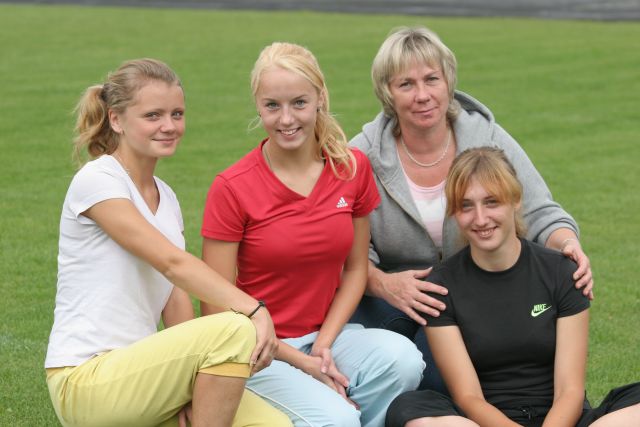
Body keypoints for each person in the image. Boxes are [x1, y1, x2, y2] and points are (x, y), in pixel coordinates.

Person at [44, 58, 291, 427]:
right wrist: (253, 310)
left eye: (177, 114)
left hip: (142, 375)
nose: (169, 126)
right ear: (116, 119)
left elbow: (175, 299)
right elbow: (172, 263)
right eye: (153, 116)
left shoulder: (167, 197)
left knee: (274, 425)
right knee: (234, 328)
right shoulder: (98, 180)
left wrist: (188, 384)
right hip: (85, 380)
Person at [349, 25, 594, 391]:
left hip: (471, 288)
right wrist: (383, 284)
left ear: (448, 80)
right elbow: (344, 252)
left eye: (431, 79)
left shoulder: (487, 139)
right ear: (387, 92)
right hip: (390, 296)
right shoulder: (361, 155)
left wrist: (567, 244)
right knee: (390, 367)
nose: (422, 95)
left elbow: (540, 211)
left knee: (446, 378)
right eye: (406, 84)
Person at [200, 42, 424, 427]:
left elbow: (356, 270)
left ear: (320, 98)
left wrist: (322, 346)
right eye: (272, 106)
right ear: (258, 106)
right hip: (257, 350)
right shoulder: (231, 187)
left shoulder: (351, 168)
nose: (286, 119)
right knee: (337, 419)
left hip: (327, 337)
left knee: (403, 361)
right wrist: (303, 363)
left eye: (299, 103)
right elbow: (215, 309)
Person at [385, 147, 640, 427]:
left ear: (515, 201)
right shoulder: (441, 288)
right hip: (483, 423)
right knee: (410, 409)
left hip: (564, 420)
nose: (480, 219)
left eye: (491, 202)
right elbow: (469, 397)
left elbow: (570, 391)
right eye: (466, 206)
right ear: (455, 212)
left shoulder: (562, 272)